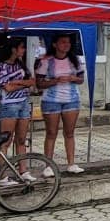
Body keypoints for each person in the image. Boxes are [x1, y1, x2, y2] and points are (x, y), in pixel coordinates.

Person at [36, 34, 86, 176]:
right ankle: (48, 166)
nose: (66, 45)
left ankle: (71, 163)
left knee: (69, 133)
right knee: (51, 133)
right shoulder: (46, 61)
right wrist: (55, 81)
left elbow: (81, 79)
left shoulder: (75, 60)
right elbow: (39, 83)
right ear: (55, 44)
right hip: (51, 100)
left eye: (68, 42)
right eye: (63, 42)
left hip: (71, 99)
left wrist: (72, 78)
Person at [0, 38, 36, 184]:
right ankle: (3, 175)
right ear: (13, 49)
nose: (23, 50)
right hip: (9, 105)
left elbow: (31, 82)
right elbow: (7, 88)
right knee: (6, 140)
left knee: (21, 139)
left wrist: (17, 82)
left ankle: (23, 170)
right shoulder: (1, 66)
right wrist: (23, 84)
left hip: (24, 102)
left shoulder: (21, 65)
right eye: (21, 47)